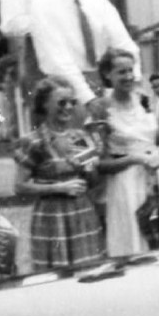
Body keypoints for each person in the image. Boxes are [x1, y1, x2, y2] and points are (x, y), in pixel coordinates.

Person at [31, 0, 141, 112]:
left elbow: (124, 44)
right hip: (66, 90)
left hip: (104, 83)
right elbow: (58, 61)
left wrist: (134, 82)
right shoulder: (43, 4)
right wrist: (88, 99)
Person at [13, 75, 105, 270]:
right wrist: (59, 187)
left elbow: (94, 182)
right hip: (51, 218)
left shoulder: (80, 137)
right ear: (45, 105)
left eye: (72, 102)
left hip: (82, 214)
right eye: (61, 102)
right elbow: (20, 187)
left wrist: (88, 168)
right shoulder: (33, 141)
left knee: (88, 272)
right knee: (56, 276)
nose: (69, 107)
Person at [92, 49, 159, 257]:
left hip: (155, 179)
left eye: (131, 70)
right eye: (121, 72)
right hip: (126, 184)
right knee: (133, 240)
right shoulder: (101, 108)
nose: (129, 76)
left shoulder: (143, 100)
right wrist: (135, 158)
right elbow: (99, 163)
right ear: (107, 74)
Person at [0, 0, 57, 135]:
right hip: (38, 57)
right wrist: (51, 23)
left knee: (74, 132)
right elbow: (10, 22)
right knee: (43, 131)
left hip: (71, 56)